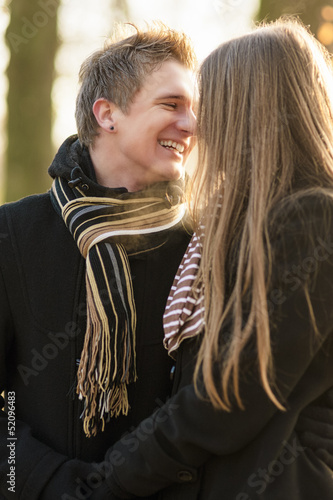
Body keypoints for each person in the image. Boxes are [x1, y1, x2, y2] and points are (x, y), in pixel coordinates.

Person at [56, 17, 333, 500]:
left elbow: (225, 398)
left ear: (255, 110)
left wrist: (109, 480)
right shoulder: (223, 227)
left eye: (215, 105)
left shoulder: (311, 217)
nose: (201, 126)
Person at [0, 23, 197, 499]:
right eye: (171, 105)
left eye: (195, 110)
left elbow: (204, 412)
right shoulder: (13, 233)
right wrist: (45, 481)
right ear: (107, 114)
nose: (191, 124)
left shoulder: (201, 244)